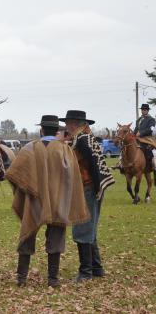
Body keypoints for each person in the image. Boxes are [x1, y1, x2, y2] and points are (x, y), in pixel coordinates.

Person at [7, 115, 90, 287]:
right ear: (57, 131)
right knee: (56, 237)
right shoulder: (65, 150)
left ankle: (21, 279)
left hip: (34, 200)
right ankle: (53, 280)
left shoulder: (29, 148)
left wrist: (24, 190)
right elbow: (72, 178)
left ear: (41, 130)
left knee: (27, 235)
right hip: (57, 200)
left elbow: (13, 174)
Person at [60, 110, 115, 282]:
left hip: (88, 188)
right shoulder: (85, 138)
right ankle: (97, 268)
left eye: (68, 123)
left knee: (82, 227)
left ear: (76, 123)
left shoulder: (83, 140)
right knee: (89, 227)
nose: (66, 126)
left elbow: (92, 165)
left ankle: (85, 272)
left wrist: (97, 188)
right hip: (91, 187)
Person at [134, 103, 156, 168]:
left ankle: (150, 165)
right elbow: (135, 130)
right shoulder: (138, 120)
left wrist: (141, 133)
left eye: (145, 109)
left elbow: (151, 129)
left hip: (146, 139)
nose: (143, 111)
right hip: (137, 139)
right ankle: (121, 163)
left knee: (147, 150)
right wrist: (132, 135)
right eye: (142, 109)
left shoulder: (151, 119)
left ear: (147, 110)